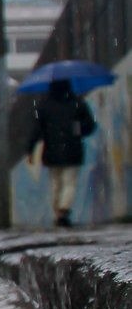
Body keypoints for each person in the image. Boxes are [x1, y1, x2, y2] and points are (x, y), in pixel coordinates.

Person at [26, 79, 96, 227]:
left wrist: (30, 150)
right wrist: (77, 130)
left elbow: (36, 130)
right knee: (69, 182)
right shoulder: (77, 103)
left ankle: (58, 212)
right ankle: (64, 210)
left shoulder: (44, 106)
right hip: (73, 150)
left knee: (55, 183)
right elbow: (90, 125)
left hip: (52, 151)